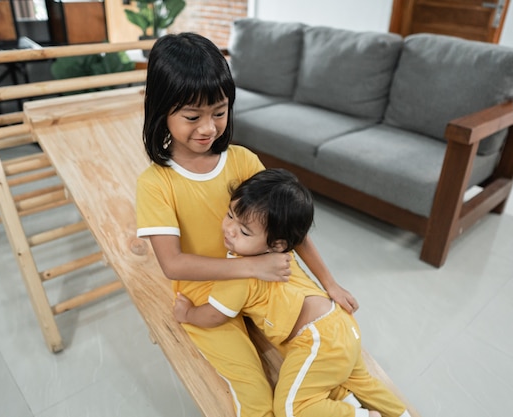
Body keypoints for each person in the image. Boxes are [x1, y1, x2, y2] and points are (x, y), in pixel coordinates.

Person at [135, 32, 358, 417]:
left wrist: (329, 283)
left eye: (219, 112)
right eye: (192, 117)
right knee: (256, 394)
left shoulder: (242, 160)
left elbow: (289, 229)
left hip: (264, 279)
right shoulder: (156, 184)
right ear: (160, 111)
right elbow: (173, 264)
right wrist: (250, 266)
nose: (208, 128)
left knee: (326, 350)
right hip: (207, 295)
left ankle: (343, 408)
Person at [174, 169, 411, 417]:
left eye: (244, 232)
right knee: (360, 380)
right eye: (229, 215)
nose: (230, 229)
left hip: (317, 340)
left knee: (290, 409)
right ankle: (399, 413)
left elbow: (213, 316)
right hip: (340, 324)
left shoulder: (238, 274)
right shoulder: (285, 254)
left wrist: (188, 313)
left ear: (277, 243)